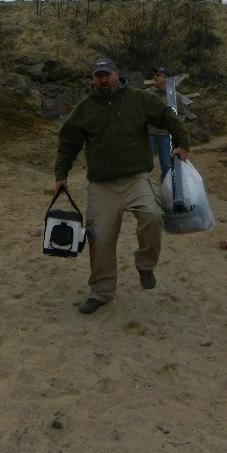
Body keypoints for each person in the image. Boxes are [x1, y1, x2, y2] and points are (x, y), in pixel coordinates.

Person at [54, 57, 190, 315]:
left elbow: (165, 115)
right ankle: (101, 292)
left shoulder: (138, 99)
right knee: (100, 238)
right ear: (93, 79)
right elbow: (68, 141)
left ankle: (145, 264)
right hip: (101, 184)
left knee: (153, 215)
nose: (104, 80)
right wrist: (62, 173)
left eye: (107, 74)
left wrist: (182, 142)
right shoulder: (84, 109)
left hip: (136, 177)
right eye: (98, 76)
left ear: (117, 74)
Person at [147, 66, 183, 183]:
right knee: (144, 165)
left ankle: (166, 191)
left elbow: (180, 115)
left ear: (166, 79)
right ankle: (146, 192)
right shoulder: (146, 94)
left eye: (158, 75)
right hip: (148, 133)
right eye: (155, 75)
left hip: (166, 135)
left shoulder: (174, 96)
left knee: (167, 165)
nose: (154, 77)